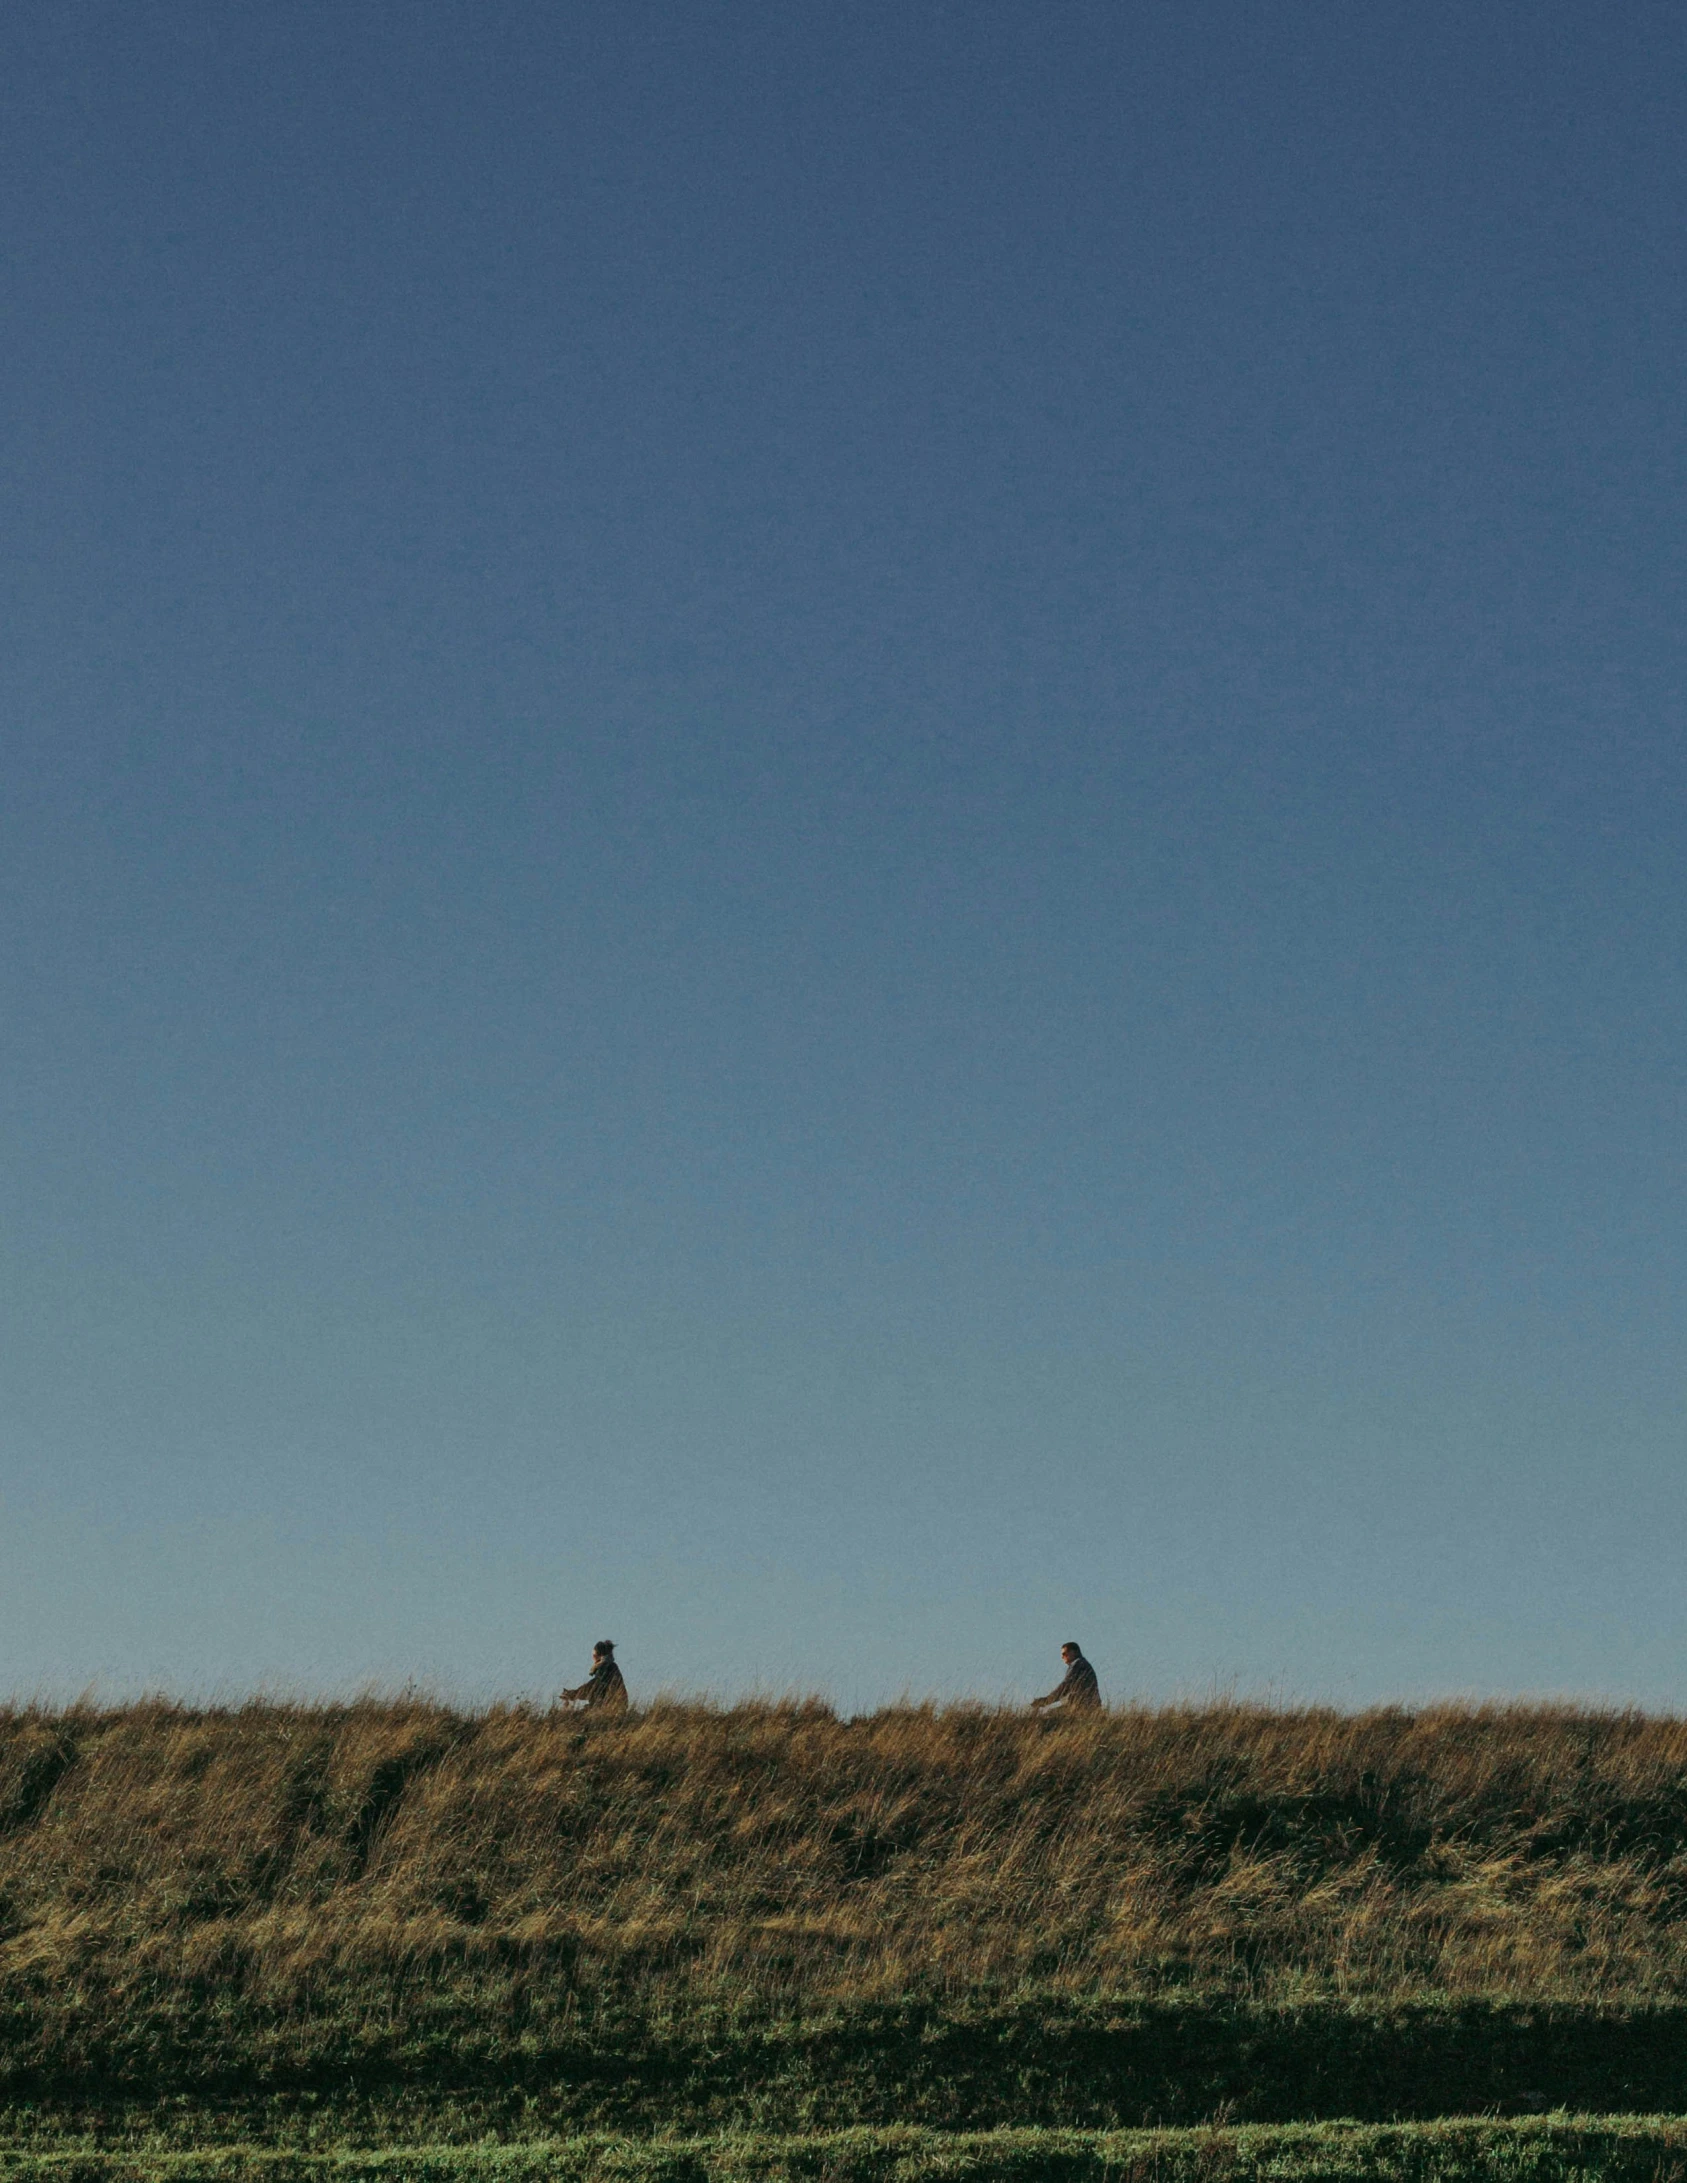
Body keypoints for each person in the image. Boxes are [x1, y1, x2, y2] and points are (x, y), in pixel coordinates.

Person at [1030, 1640, 1101, 1712]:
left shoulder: (1077, 1664)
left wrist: (1046, 1700)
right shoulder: (1082, 1663)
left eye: (1064, 1654)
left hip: (1083, 1706)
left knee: (1050, 1715)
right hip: (1089, 1705)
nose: (1062, 1657)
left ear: (1074, 1652)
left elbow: (1066, 1686)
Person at [560, 1639, 628, 1711]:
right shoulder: (611, 1665)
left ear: (599, 1655)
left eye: (594, 1655)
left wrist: (575, 1694)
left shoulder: (604, 1666)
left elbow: (595, 1685)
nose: (592, 1657)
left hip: (611, 1706)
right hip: (618, 1704)